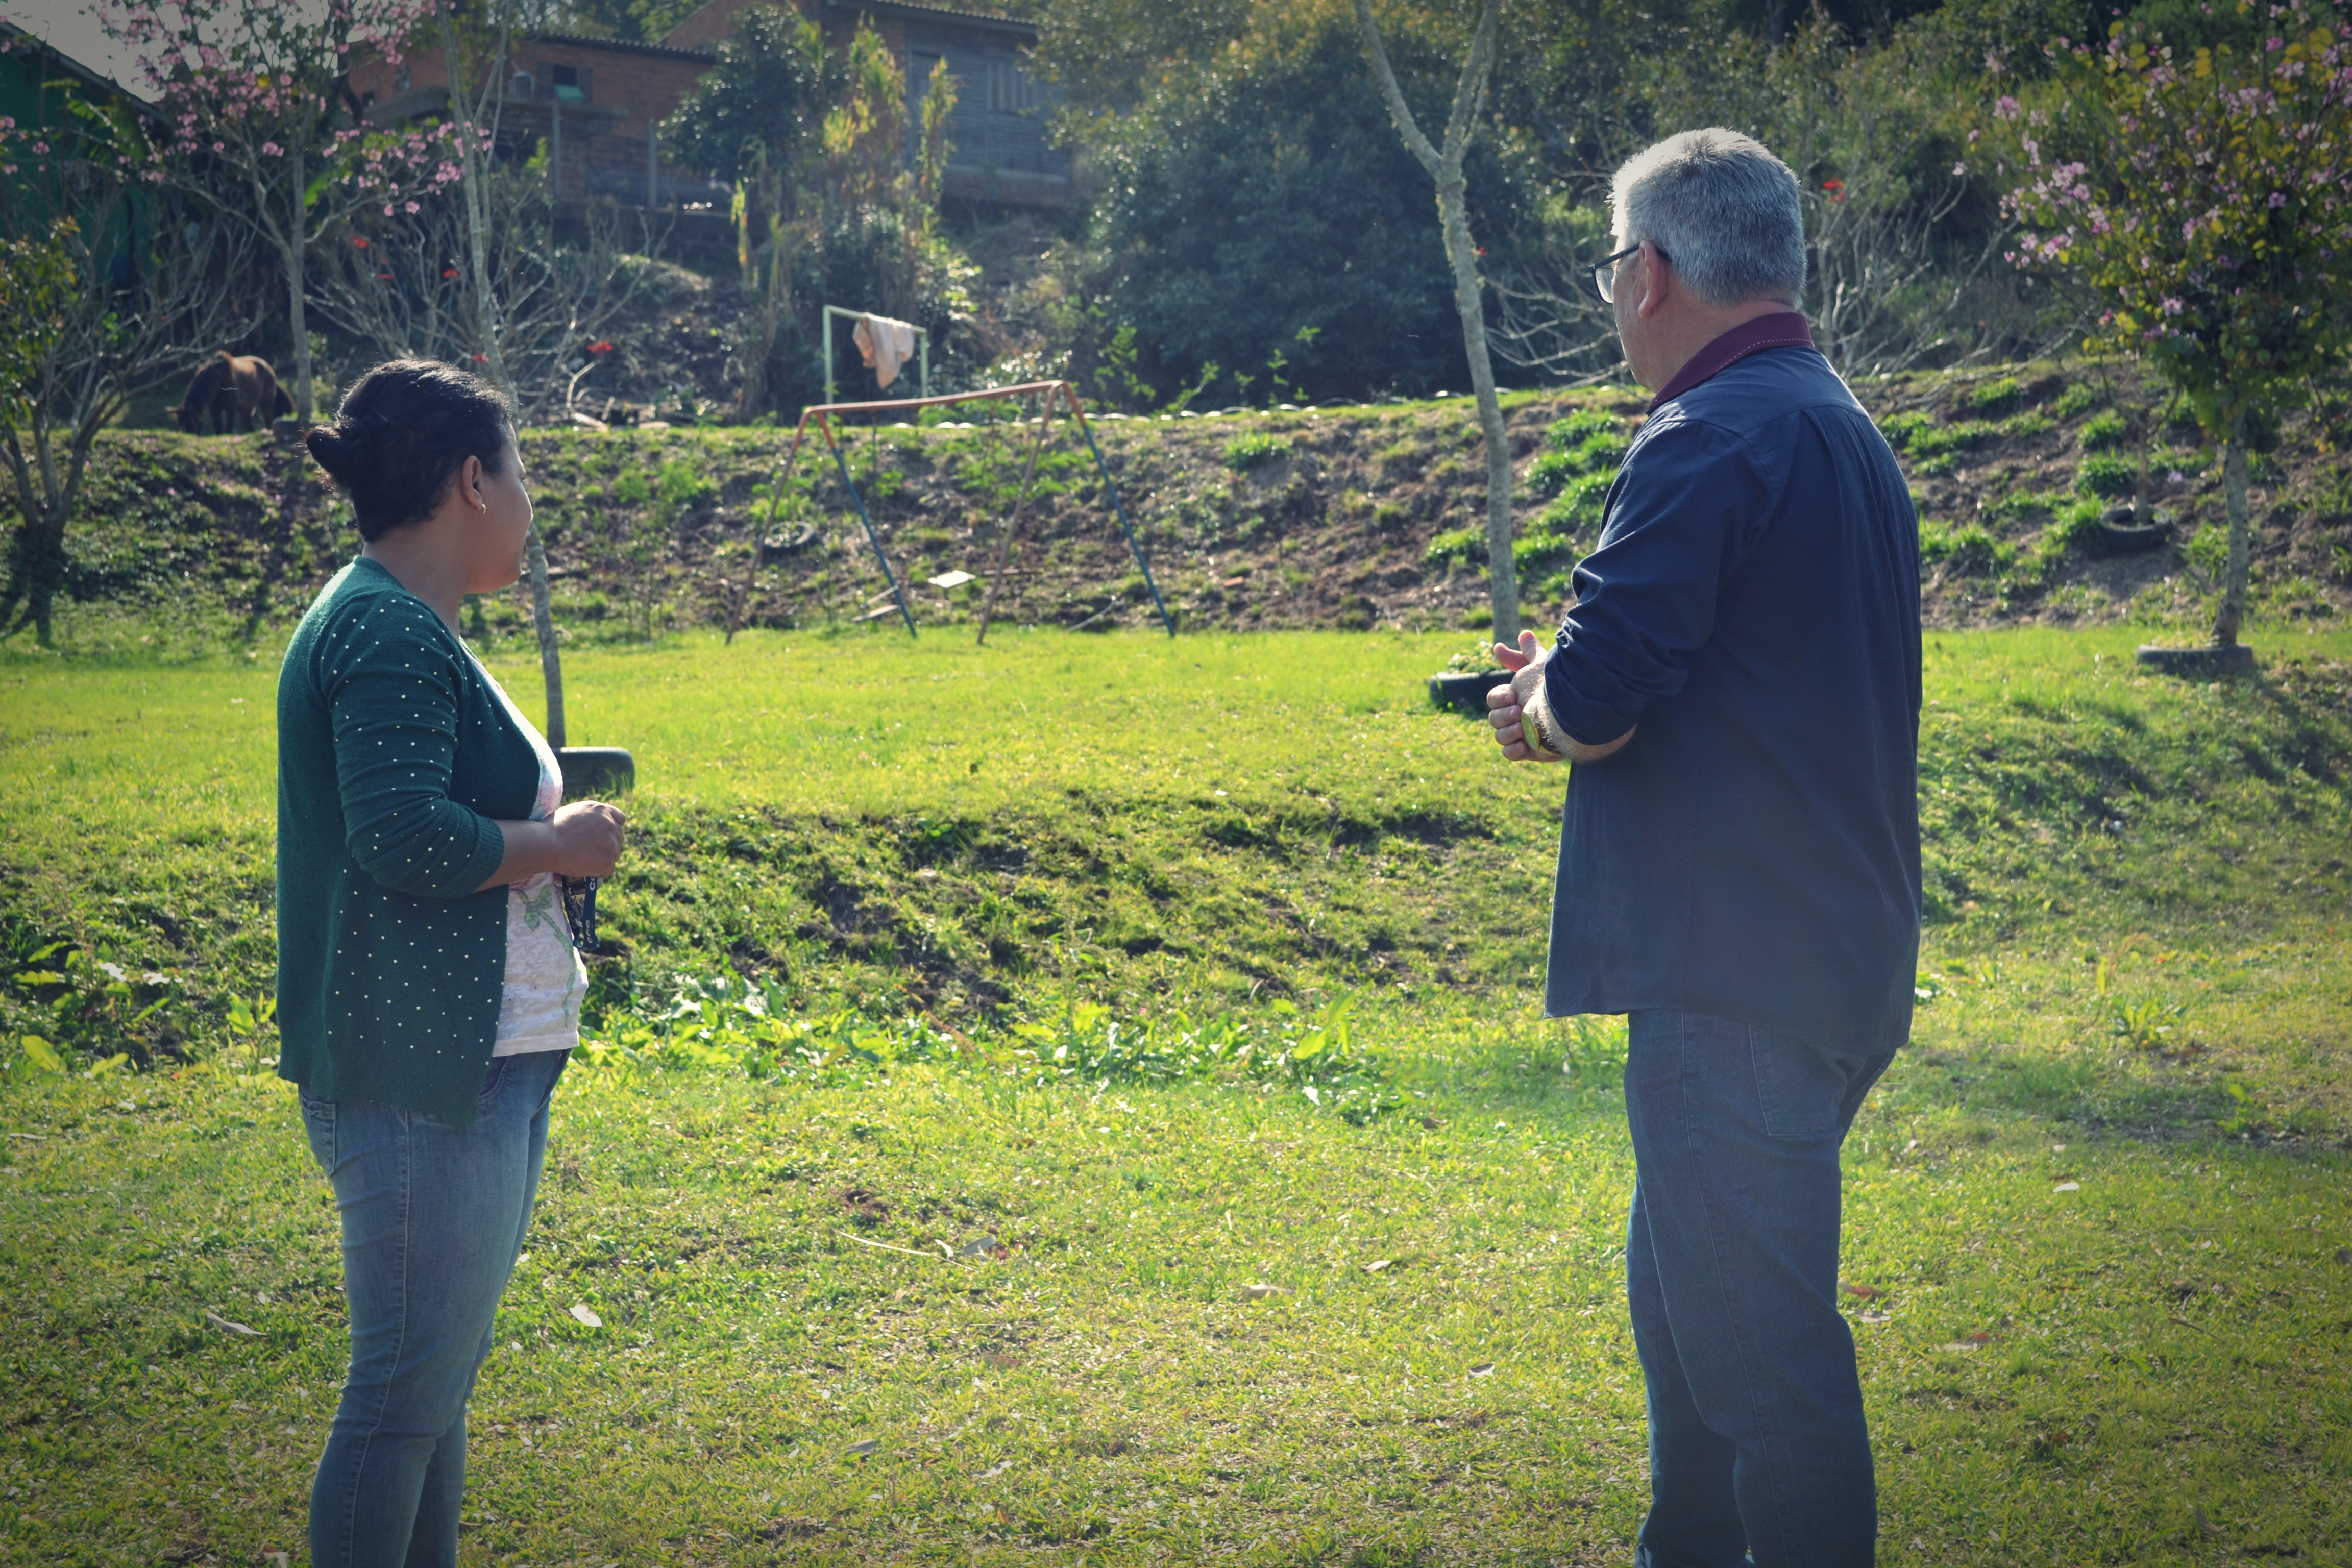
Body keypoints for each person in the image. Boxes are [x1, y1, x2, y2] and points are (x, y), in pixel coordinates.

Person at [1483, 129, 1921, 1566]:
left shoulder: (1702, 436)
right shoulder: (1832, 422)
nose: (1617, 297)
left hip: (1736, 971)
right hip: (1826, 949)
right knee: (1694, 1340)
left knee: (1762, 1379)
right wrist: (1584, 680)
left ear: (1651, 272)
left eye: (1615, 267)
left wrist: (1535, 704)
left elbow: (1600, 700)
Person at [277, 360, 627, 1567]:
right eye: (520, 470)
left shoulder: (408, 620)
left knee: (432, 1395)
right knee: (400, 1401)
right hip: (429, 1074)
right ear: (472, 481)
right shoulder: (382, 627)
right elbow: (406, 839)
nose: (531, 502)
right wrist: (561, 844)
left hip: (474, 1063)